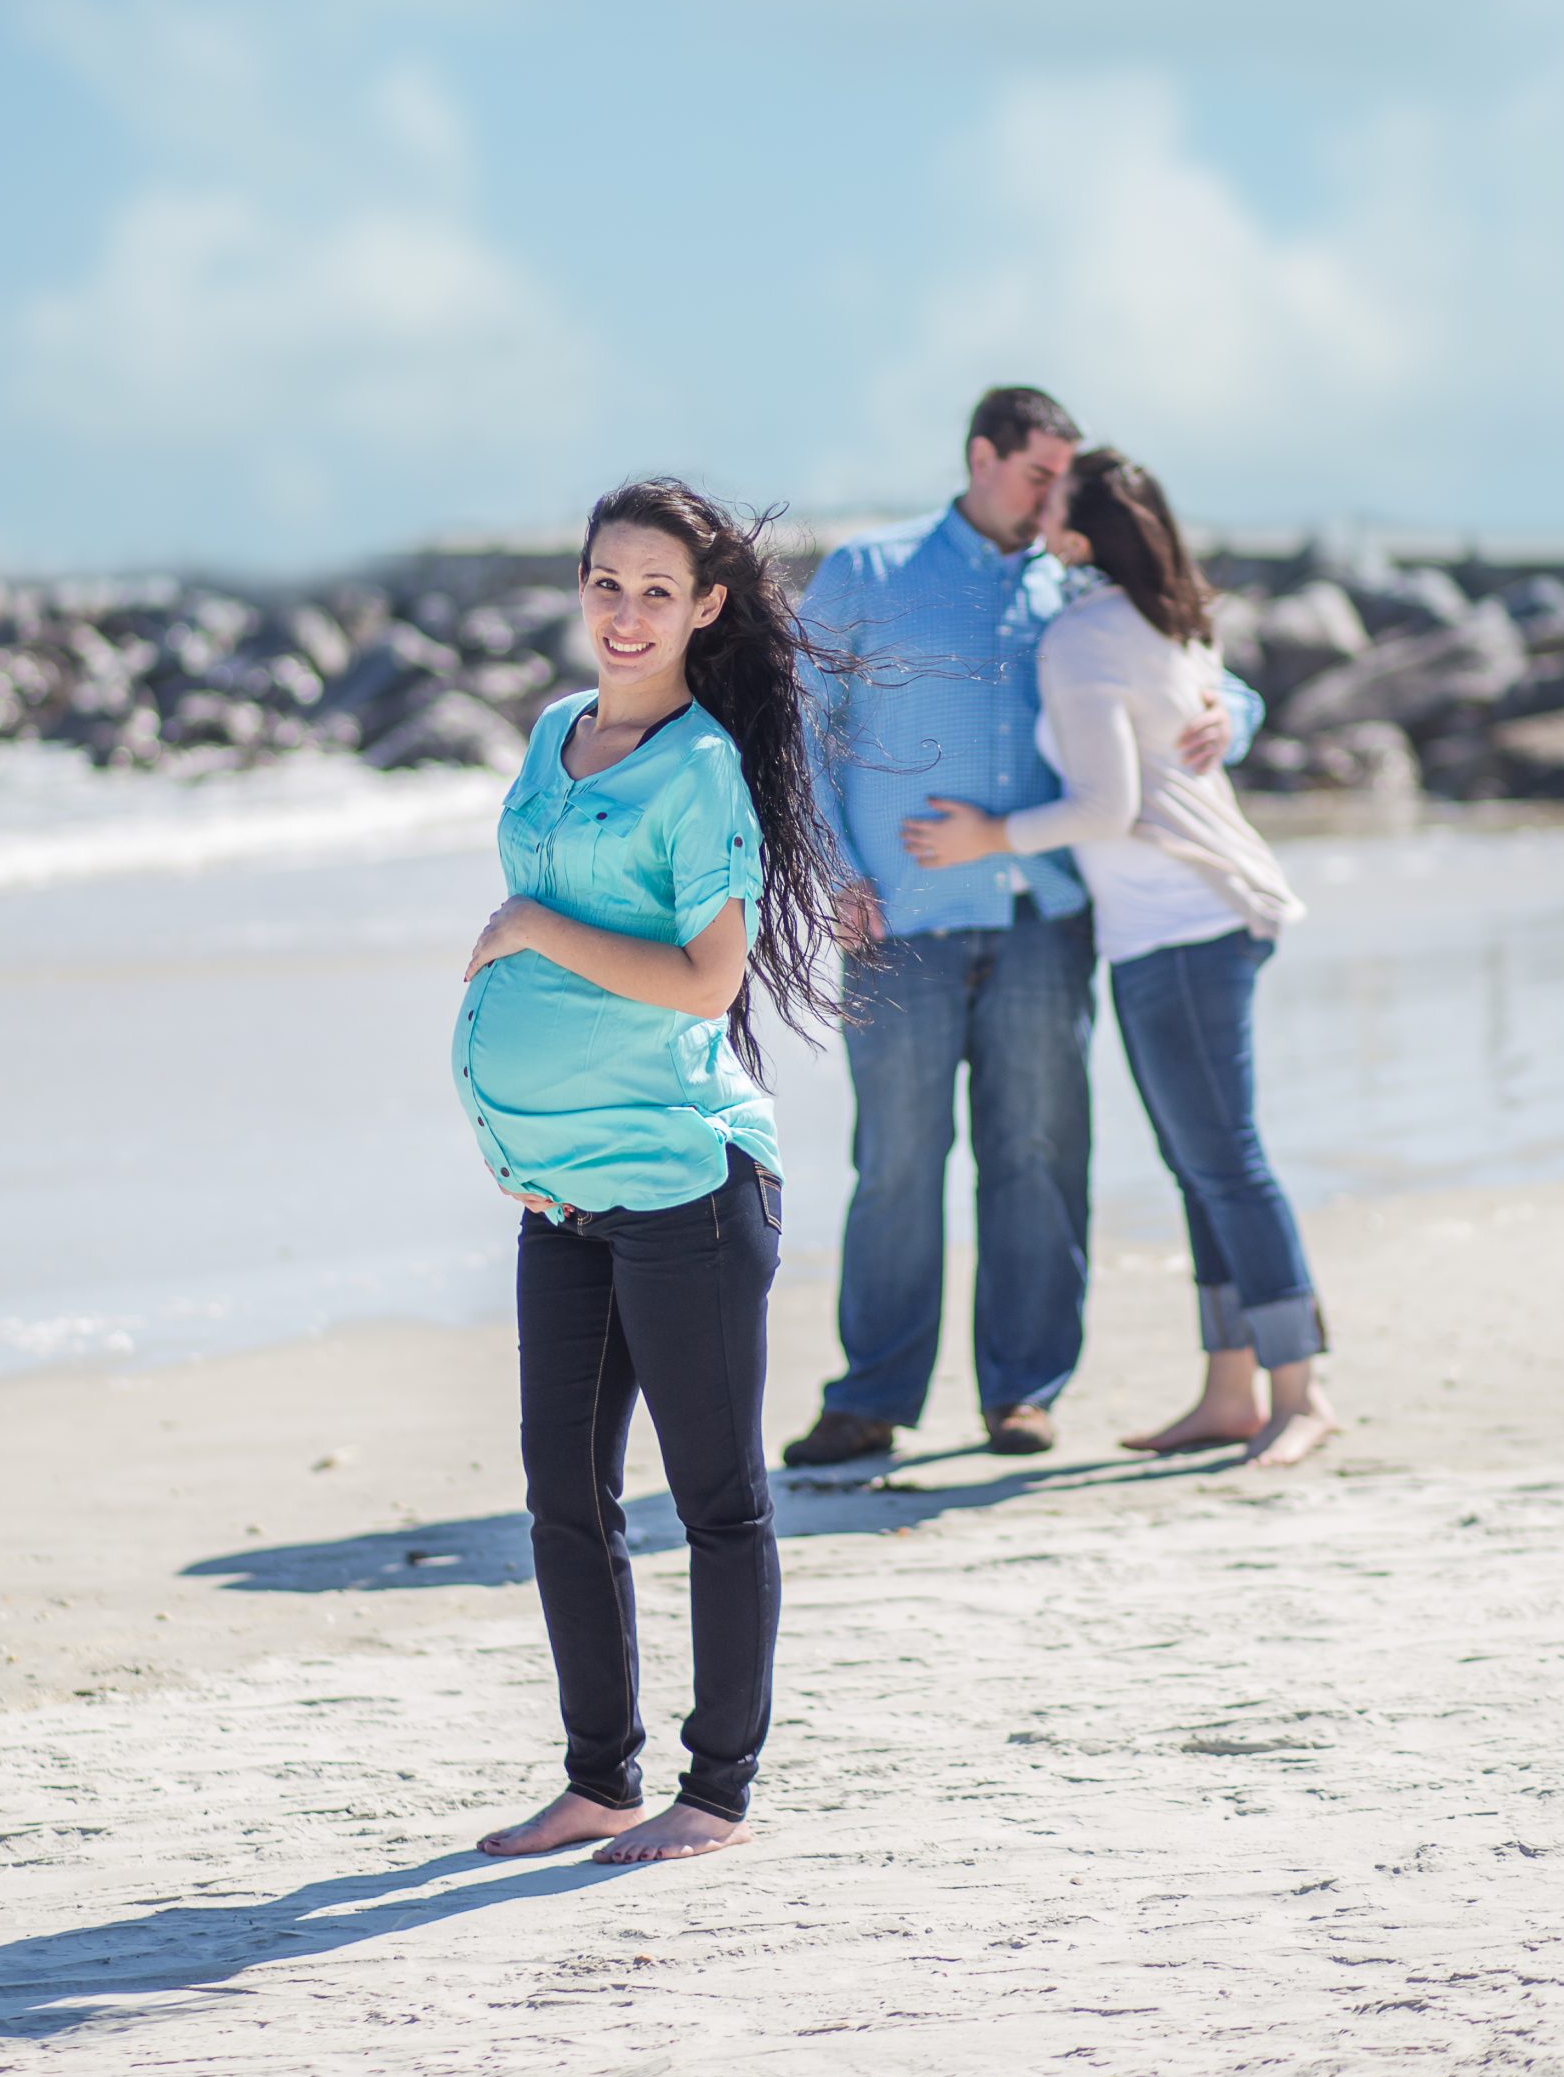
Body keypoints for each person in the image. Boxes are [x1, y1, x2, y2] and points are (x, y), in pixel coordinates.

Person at [454, 480, 846, 1864]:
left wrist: (527, 932)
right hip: (563, 1194)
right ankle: (598, 1778)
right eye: (606, 586)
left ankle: (716, 1793)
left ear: (706, 610)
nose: (627, 616)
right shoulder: (557, 732)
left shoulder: (700, 772)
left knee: (715, 1499)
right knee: (562, 1493)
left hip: (686, 1185)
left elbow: (704, 982)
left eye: (657, 593)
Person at [784, 386, 1262, 1469]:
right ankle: (870, 1399)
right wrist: (832, 871)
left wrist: (1226, 715)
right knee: (897, 1163)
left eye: (1066, 480)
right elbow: (798, 729)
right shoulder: (868, 571)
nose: (1055, 499)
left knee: (1039, 1158)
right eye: (1038, 474)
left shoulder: (1080, 583)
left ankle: (1023, 1393)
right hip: (896, 920)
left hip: (1047, 918)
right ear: (979, 456)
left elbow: (1214, 678)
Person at [903, 446, 1336, 1468]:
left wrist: (985, 839)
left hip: (1179, 923)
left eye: (1053, 501)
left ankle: (1301, 1394)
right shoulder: (1158, 614)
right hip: (1185, 919)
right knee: (1201, 1166)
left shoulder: (1083, 635)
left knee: (1224, 1162)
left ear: (1079, 535)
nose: (1037, 511)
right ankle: (1230, 1393)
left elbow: (1107, 806)